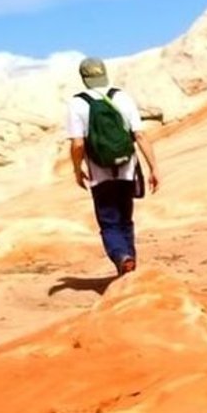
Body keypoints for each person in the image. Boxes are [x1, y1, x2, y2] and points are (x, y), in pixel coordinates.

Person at [65, 57, 160, 275]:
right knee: (125, 219)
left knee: (109, 222)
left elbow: (78, 143)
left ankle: (121, 257)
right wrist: (154, 167)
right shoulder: (122, 97)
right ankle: (129, 264)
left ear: (84, 78)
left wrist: (77, 169)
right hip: (127, 169)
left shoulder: (77, 103)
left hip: (99, 173)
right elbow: (140, 135)